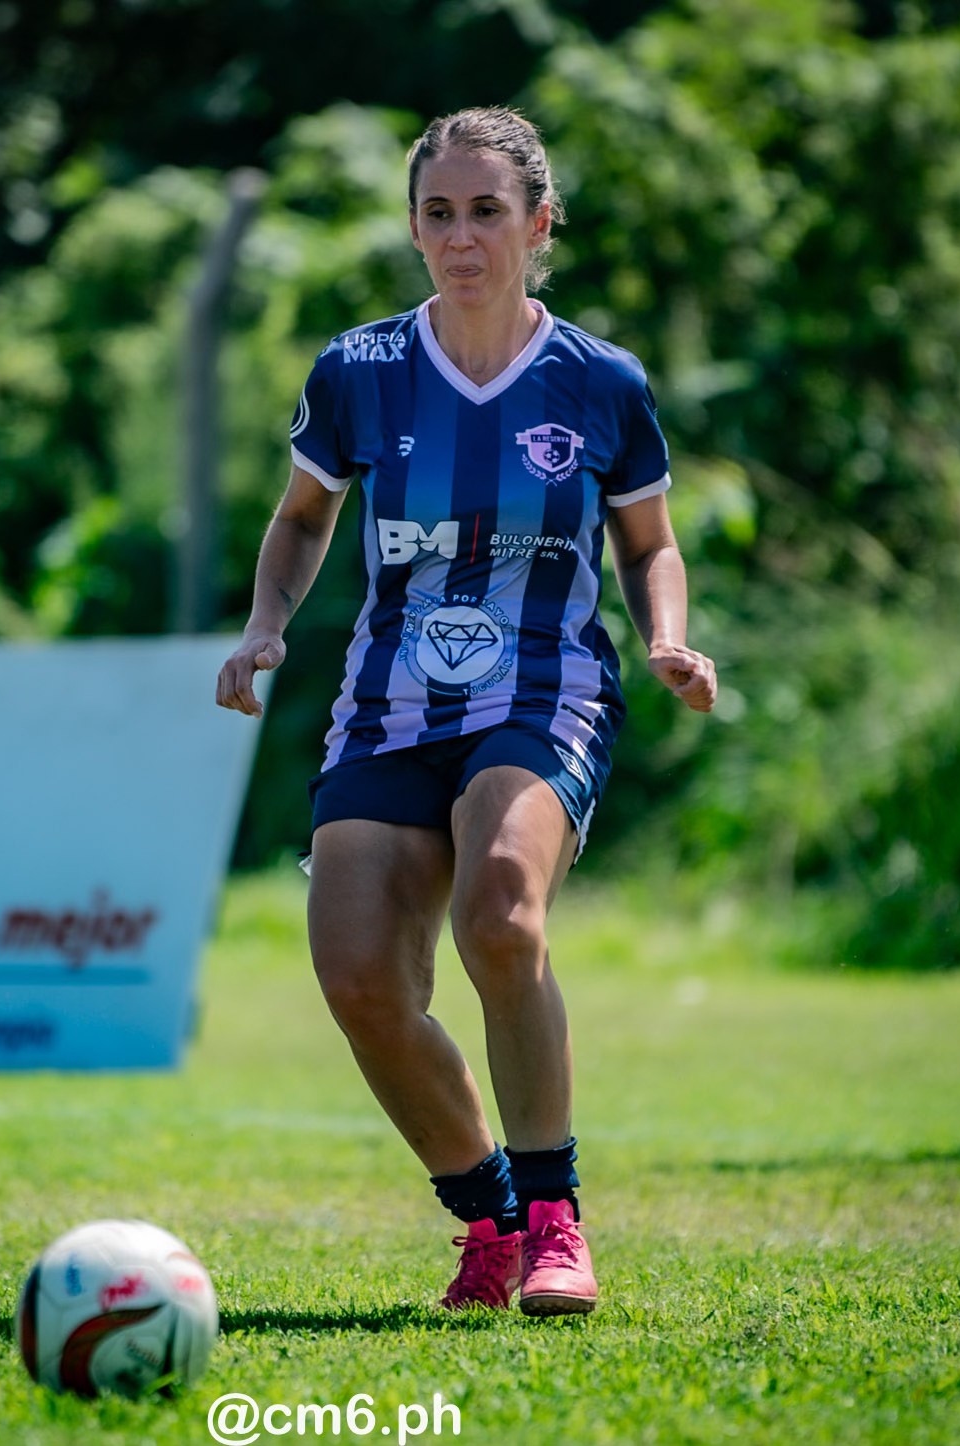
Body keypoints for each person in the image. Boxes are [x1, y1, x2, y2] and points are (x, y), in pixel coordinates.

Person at [216, 106, 716, 1315]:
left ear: (538, 225)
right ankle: (487, 1219)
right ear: (412, 227)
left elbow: (647, 540)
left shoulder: (600, 382)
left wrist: (665, 634)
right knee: (358, 981)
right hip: (389, 702)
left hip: (543, 689)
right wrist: (265, 622)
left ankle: (553, 1221)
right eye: (437, 213)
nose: (460, 237)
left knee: (499, 907)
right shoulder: (358, 371)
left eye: (486, 211)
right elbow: (301, 517)